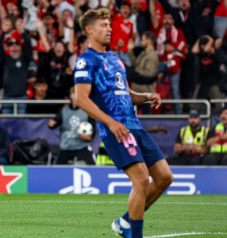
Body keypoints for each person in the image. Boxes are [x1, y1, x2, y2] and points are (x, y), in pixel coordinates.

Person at [74, 9, 173, 238]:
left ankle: (126, 222)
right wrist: (110, 123)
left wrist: (146, 96)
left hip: (134, 125)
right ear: (89, 30)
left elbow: (124, 92)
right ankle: (134, 234)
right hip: (116, 129)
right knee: (141, 179)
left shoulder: (115, 58)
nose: (109, 29)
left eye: (110, 24)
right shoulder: (86, 60)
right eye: (103, 25)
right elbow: (80, 98)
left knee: (165, 177)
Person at [48, 86, 96, 165]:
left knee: (92, 166)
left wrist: (87, 137)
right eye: (74, 93)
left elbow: (92, 131)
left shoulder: (87, 111)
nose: (77, 96)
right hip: (66, 146)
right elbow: (54, 123)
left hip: (82, 147)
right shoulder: (64, 110)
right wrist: (51, 124)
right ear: (71, 95)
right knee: (57, 170)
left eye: (79, 94)